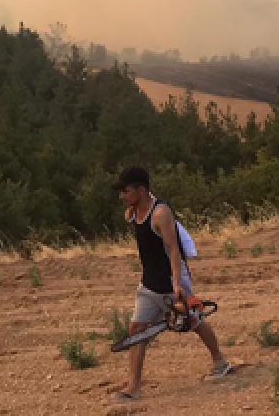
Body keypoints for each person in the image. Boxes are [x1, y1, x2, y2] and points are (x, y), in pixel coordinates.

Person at [113, 167, 232, 403]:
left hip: (171, 280)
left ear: (141, 190)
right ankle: (133, 387)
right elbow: (131, 219)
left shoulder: (160, 214)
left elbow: (174, 250)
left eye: (125, 191)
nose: (121, 196)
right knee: (136, 330)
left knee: (194, 320)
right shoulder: (134, 211)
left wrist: (178, 284)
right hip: (149, 283)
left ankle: (220, 362)